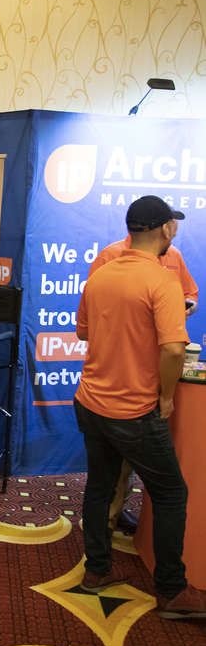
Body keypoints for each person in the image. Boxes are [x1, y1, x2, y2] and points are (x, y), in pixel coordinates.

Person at [74, 195, 206, 618]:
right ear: (166, 229)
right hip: (132, 409)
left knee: (99, 487)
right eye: (173, 224)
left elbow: (83, 333)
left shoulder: (101, 275)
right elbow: (174, 349)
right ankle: (171, 590)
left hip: (90, 401)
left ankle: (96, 570)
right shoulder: (161, 280)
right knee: (171, 492)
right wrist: (166, 397)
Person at [88, 225, 199, 535]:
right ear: (161, 229)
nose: (172, 234)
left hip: (148, 376)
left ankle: (111, 523)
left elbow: (190, 294)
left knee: (120, 471)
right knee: (159, 486)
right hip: (121, 383)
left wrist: (181, 308)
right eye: (169, 227)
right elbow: (88, 322)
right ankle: (109, 523)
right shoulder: (109, 256)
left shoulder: (173, 258)